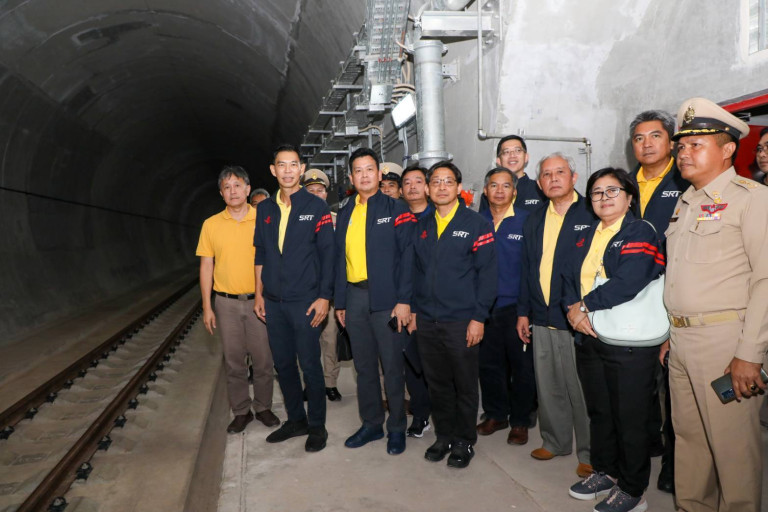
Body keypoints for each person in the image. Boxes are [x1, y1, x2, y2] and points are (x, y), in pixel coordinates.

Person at [665, 97, 768, 512]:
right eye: (681, 145)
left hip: (726, 344)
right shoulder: (686, 201)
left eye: (696, 144)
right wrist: (671, 330)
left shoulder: (752, 199)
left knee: (733, 450)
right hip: (681, 340)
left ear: (727, 149)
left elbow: (765, 280)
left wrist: (750, 353)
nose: (684, 153)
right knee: (690, 444)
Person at [564, 167, 666, 512]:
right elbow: (566, 276)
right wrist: (573, 312)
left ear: (629, 197)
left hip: (628, 341)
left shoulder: (639, 231)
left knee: (630, 417)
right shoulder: (586, 234)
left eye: (612, 190)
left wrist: (583, 306)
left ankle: (633, 489)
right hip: (590, 335)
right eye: (596, 192)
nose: (604, 198)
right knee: (601, 411)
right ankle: (606, 471)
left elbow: (629, 280)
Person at [412, 161, 497, 469]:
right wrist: (414, 310)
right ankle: (444, 436)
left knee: (464, 383)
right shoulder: (421, 226)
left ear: (459, 188)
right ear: (427, 188)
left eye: (448, 181)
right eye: (436, 181)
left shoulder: (476, 224)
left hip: (462, 320)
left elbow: (488, 275)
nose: (442, 187)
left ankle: (463, 441)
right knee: (437, 384)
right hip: (428, 320)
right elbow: (415, 272)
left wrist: (478, 318)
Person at [253, 144, 335, 453]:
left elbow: (328, 255)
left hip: (305, 301)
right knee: (284, 365)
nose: (287, 170)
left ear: (301, 169)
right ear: (273, 170)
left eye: (293, 165)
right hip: (274, 302)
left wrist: (324, 297)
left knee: (310, 365)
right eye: (281, 165)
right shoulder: (265, 209)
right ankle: (296, 420)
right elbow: (261, 254)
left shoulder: (316, 206)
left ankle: (317, 425)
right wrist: (259, 294)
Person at [334, 148, 417, 455]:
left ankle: (396, 428)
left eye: (369, 169)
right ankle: (371, 424)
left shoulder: (396, 209)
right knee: (364, 367)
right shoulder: (346, 212)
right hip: (355, 297)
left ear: (379, 174)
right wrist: (340, 302)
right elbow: (339, 260)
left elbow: (408, 256)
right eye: (358, 170)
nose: (364, 175)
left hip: (388, 300)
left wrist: (404, 300)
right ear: (351, 177)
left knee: (392, 366)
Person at [516, 153, 593, 478]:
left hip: (578, 318)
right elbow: (526, 268)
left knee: (582, 388)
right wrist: (523, 312)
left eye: (560, 172)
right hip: (540, 314)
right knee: (548, 385)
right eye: (546, 174)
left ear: (574, 177)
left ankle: (590, 452)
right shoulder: (534, 218)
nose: (553, 179)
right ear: (539, 183)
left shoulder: (592, 212)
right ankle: (555, 440)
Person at [628, 109, 689, 493]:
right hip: (632, 296)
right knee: (639, 379)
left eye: (655, 136)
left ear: (670, 141)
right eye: (639, 138)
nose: (646, 144)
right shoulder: (623, 184)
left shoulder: (685, 181)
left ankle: (674, 463)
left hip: (674, 294)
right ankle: (649, 441)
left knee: (673, 384)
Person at [196, 166, 279, 434]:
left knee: (263, 359)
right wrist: (207, 306)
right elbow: (206, 266)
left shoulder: (263, 219)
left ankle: (263, 407)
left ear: (247, 189)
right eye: (227, 187)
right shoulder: (211, 225)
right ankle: (241, 411)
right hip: (226, 303)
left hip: (259, 301)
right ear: (221, 193)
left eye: (238, 185)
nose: (233, 191)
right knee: (234, 361)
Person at [475, 168, 535, 446]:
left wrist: (524, 311)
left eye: (506, 186)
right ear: (485, 190)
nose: (499, 191)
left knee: (521, 367)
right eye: (494, 185)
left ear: (515, 191)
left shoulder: (527, 221)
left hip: (516, 308)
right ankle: (496, 414)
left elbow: (531, 269)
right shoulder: (476, 222)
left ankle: (520, 421)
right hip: (484, 309)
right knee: (489, 366)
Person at [302, 169, 342, 402]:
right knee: (307, 341)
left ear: (326, 194)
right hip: (305, 291)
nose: (316, 194)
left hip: (330, 292)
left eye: (320, 190)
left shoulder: (337, 220)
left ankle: (330, 382)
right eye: (311, 191)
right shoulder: (296, 219)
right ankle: (310, 383)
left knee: (330, 339)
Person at [400, 164, 433, 438]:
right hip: (401, 303)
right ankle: (421, 415)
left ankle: (444, 415)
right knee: (411, 362)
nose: (412, 187)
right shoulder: (398, 219)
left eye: (418, 181)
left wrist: (418, 309)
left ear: (428, 187)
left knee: (435, 365)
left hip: (433, 306)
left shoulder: (438, 217)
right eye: (407, 182)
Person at [481, 135, 545, 212]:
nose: (512, 155)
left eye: (517, 150)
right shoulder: (491, 192)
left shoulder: (539, 189)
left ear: (526, 157)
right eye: (506, 152)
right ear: (498, 161)